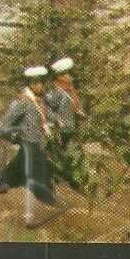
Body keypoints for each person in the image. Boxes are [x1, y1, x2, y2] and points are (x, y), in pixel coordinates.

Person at [0, 66, 56, 203]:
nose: (42, 86)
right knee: (38, 166)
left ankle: (4, 180)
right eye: (38, 83)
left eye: (42, 82)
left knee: (21, 162)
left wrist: (58, 120)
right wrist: (15, 137)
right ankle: (46, 196)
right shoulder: (22, 101)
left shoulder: (39, 100)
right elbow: (4, 124)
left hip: (38, 140)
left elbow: (46, 115)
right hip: (27, 140)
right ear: (32, 84)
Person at [46, 56, 88, 190]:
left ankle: (68, 176)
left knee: (70, 153)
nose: (70, 76)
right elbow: (44, 108)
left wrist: (80, 111)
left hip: (71, 127)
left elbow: (75, 105)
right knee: (70, 153)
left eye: (70, 73)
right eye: (67, 74)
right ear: (59, 76)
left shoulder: (70, 90)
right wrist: (56, 119)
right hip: (61, 129)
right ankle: (76, 180)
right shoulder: (56, 92)